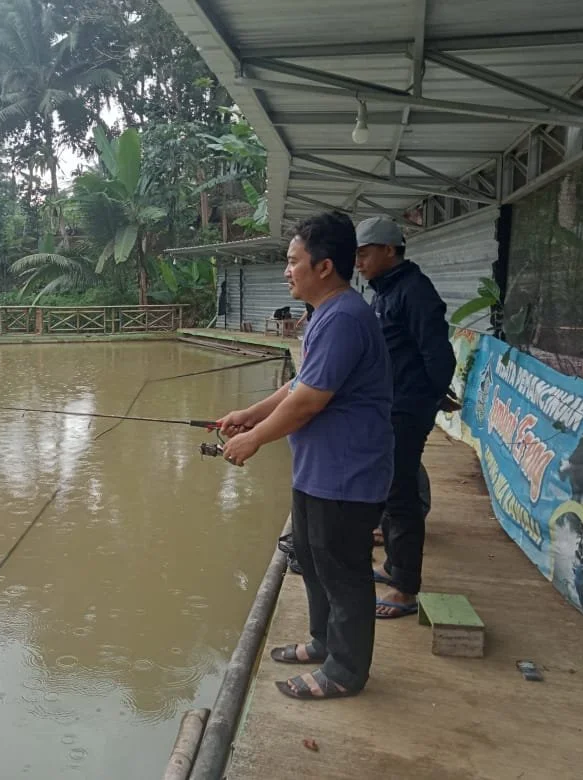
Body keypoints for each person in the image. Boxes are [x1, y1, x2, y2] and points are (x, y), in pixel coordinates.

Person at [219, 211, 393, 700]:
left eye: (293, 261)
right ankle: (323, 642)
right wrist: (249, 415)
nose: (286, 270)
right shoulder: (326, 315)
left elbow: (309, 403)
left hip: (346, 473)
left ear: (324, 266)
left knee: (343, 571)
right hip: (318, 472)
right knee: (314, 564)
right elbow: (299, 385)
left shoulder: (344, 318)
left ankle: (345, 670)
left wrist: (253, 440)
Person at [355, 216, 456, 619]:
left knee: (401, 497)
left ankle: (405, 588)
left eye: (364, 254)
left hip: (405, 410)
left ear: (389, 250)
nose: (359, 263)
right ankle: (395, 565)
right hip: (390, 407)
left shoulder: (414, 292)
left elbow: (438, 354)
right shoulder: (387, 291)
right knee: (392, 490)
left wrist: (428, 400)